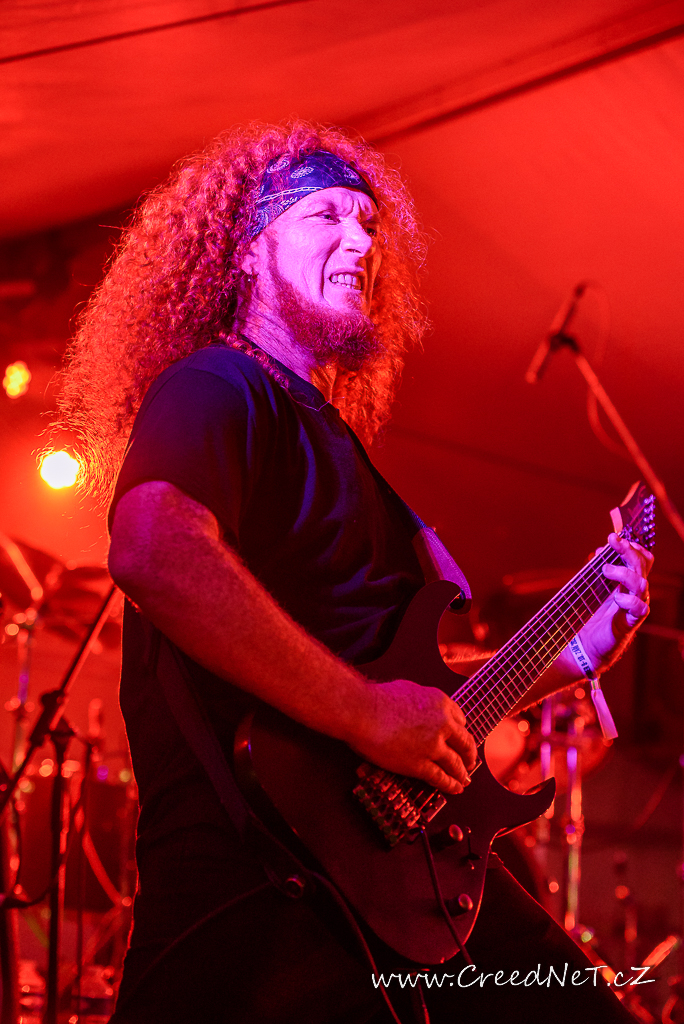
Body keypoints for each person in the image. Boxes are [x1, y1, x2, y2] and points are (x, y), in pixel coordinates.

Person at [59, 122, 652, 1024]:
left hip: (387, 868)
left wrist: (563, 662)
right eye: (326, 214)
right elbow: (152, 549)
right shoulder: (216, 385)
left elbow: (402, 689)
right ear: (246, 250)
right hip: (264, 880)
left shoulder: (331, 437)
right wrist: (366, 714)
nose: (362, 241)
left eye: (370, 223)